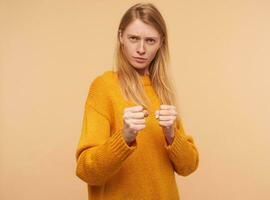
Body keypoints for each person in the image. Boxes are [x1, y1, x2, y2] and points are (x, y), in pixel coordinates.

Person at [75, 3, 200, 200]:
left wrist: (171, 134)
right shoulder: (104, 87)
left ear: (161, 43)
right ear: (121, 37)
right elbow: (86, 170)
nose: (141, 49)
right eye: (134, 38)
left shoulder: (162, 90)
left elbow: (188, 166)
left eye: (150, 40)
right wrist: (123, 138)